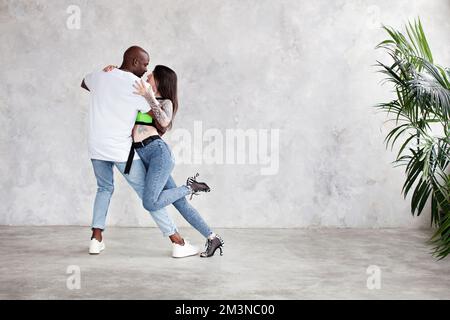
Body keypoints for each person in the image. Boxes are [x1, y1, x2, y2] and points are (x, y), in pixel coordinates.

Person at [82, 46, 200, 258]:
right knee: (148, 193)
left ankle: (96, 239)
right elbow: (161, 121)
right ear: (135, 62)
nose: (146, 70)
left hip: (96, 146)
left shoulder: (101, 76)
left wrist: (109, 74)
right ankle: (177, 242)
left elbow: (85, 82)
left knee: (104, 188)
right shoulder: (136, 86)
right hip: (121, 150)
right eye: (145, 64)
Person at [103, 63, 225, 258]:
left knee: (150, 203)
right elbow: (120, 90)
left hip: (158, 153)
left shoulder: (164, 102)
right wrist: (114, 71)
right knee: (181, 204)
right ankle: (213, 237)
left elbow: (165, 121)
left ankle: (190, 187)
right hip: (143, 155)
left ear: (160, 81)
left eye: (151, 75)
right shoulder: (140, 98)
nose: (147, 76)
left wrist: (149, 96)